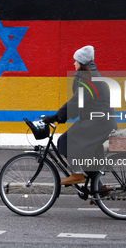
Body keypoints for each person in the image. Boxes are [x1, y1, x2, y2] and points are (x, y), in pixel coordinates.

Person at [44, 45, 117, 185]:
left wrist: (57, 116)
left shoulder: (87, 77)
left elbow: (77, 101)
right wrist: (61, 116)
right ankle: (100, 188)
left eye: (74, 60)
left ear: (81, 61)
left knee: (65, 141)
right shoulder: (92, 75)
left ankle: (76, 174)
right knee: (87, 156)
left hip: (97, 122)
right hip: (102, 122)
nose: (73, 63)